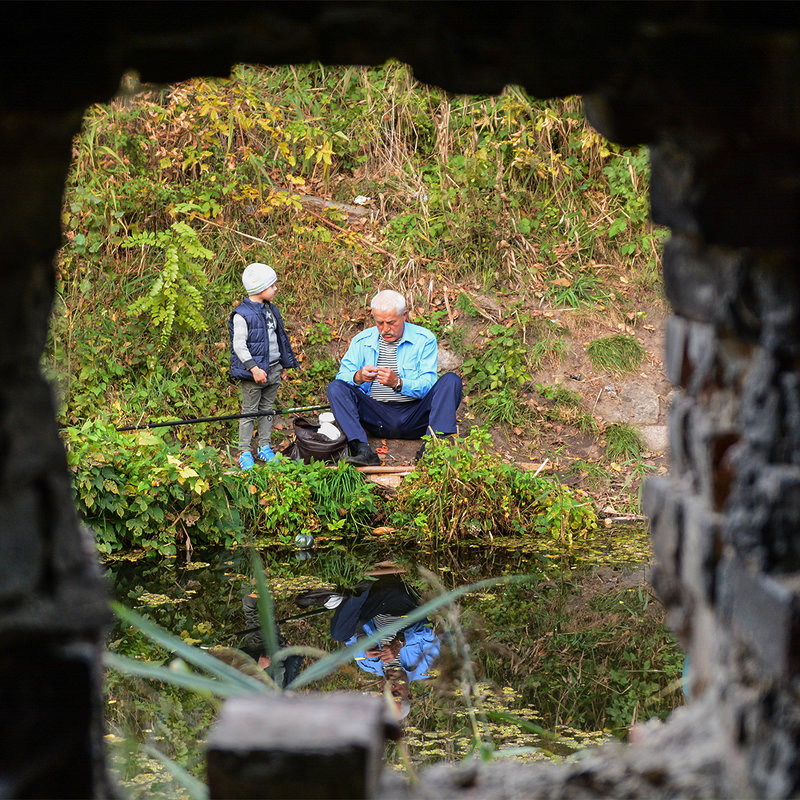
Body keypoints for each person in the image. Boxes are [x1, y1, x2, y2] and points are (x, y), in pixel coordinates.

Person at [327, 289, 462, 466]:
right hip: (376, 415)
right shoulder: (361, 340)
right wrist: (358, 376)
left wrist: (398, 383)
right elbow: (342, 377)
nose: (385, 329)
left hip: (415, 415)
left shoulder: (424, 339)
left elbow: (428, 385)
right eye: (380, 323)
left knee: (451, 381)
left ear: (404, 315)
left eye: (391, 323)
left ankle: (432, 449)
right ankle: (362, 449)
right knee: (336, 387)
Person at [296, 573, 441, 720]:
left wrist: (361, 640)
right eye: (396, 693)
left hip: (373, 607)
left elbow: (351, 637)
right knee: (390, 600)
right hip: (404, 604)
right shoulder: (427, 666)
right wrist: (401, 641)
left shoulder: (368, 665)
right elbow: (431, 629)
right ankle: (344, 598)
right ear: (409, 694)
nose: (390, 686)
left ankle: (356, 592)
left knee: (339, 633)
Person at [229, 262, 298, 470]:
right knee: (249, 411)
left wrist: (284, 364)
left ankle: (264, 447)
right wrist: (253, 368)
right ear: (260, 289)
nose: (276, 289)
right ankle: (244, 451)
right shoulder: (242, 314)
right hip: (254, 373)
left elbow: (279, 338)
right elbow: (239, 346)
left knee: (267, 409)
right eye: (272, 285)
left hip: (274, 369)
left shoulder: (271, 309)